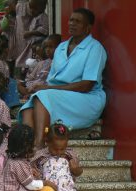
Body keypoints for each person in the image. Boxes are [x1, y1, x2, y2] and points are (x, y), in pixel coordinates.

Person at [19, 8, 107, 148]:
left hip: (87, 98)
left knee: (42, 96)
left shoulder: (95, 48)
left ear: (88, 28)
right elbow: (51, 80)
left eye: (78, 21)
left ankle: (39, 145)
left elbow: (86, 86)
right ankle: (26, 148)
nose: (72, 23)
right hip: (57, 95)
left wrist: (47, 89)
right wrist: (42, 88)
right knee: (28, 108)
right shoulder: (61, 48)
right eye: (71, 20)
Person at [0, 124, 56, 191]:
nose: (35, 148)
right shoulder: (18, 163)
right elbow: (31, 185)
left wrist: (30, 170)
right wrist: (45, 182)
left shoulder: (11, 157)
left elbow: (18, 174)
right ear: (27, 147)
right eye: (33, 146)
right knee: (49, 190)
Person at [31, 121, 83, 191]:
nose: (58, 152)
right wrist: (39, 179)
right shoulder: (41, 156)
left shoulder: (69, 155)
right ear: (47, 142)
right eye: (55, 149)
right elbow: (32, 171)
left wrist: (75, 169)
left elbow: (78, 172)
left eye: (62, 149)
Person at [15, 0, 49, 79]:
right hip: (30, 45)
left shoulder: (43, 17)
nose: (32, 11)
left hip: (37, 44)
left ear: (43, 8)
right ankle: (18, 78)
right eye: (30, 8)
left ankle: (23, 78)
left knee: (27, 63)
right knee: (20, 62)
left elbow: (44, 30)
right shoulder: (34, 18)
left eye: (35, 8)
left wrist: (30, 33)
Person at [0, 0, 18, 77]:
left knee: (16, 72)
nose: (15, 6)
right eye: (13, 4)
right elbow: (3, 27)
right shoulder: (3, 18)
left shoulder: (19, 18)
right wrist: (6, 15)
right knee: (7, 70)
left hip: (17, 51)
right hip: (7, 50)